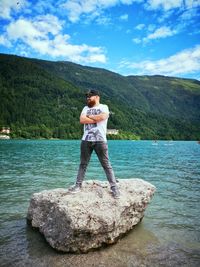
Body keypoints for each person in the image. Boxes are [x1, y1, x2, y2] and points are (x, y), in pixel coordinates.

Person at [69, 89, 120, 199]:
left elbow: (103, 117)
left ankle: (114, 188)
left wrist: (90, 118)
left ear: (97, 97)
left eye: (90, 96)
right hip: (86, 140)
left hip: (100, 140)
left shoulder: (104, 107)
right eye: (87, 96)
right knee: (83, 164)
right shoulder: (85, 108)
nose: (88, 98)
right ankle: (78, 185)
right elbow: (82, 120)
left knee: (106, 164)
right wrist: (95, 119)